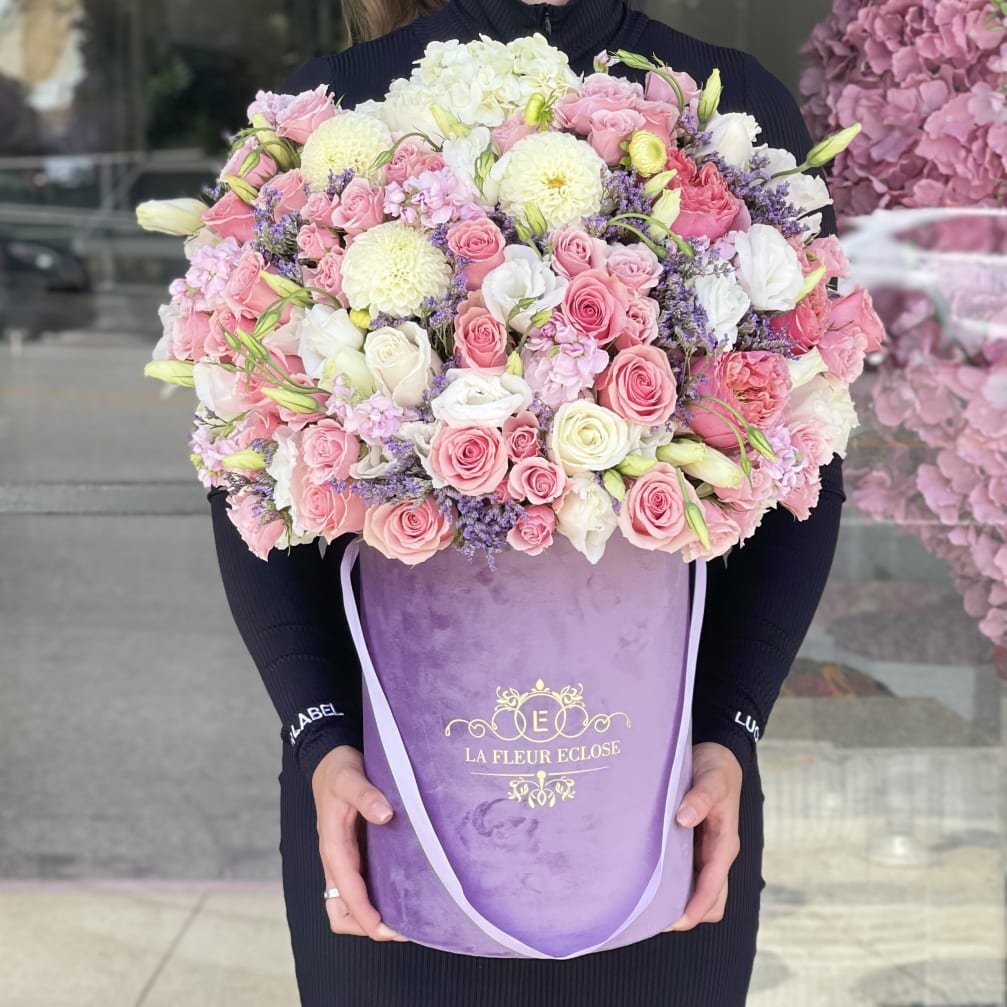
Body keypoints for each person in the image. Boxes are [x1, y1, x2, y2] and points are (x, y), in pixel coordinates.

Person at [210, 0, 845, 1003]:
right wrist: (319, 733)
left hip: (656, 799)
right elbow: (251, 468)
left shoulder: (731, 118)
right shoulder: (336, 115)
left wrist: (728, 728)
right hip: (392, 804)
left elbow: (799, 457)